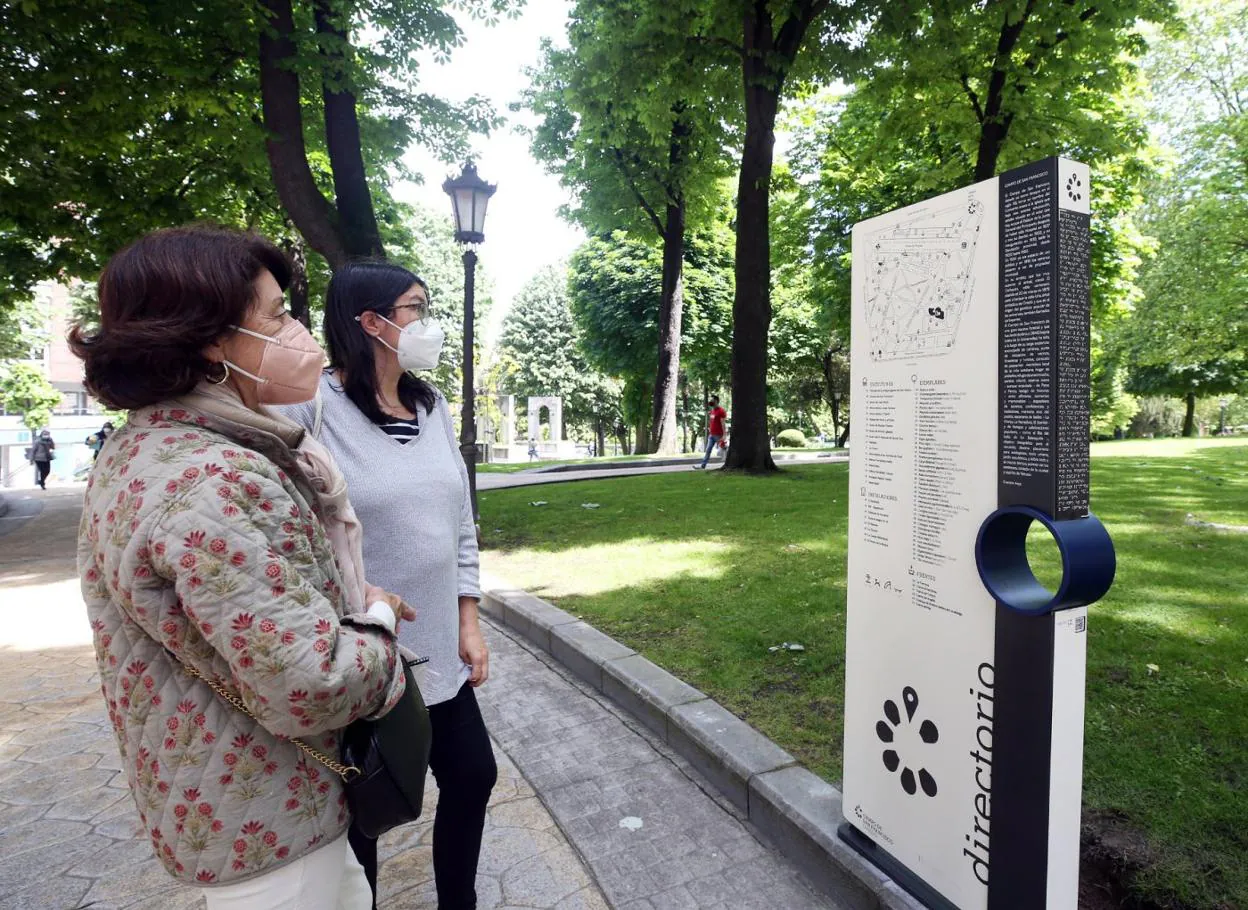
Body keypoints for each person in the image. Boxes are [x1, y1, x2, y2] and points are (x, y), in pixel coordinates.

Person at [69, 226, 414, 910]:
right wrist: (375, 630)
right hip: (272, 820)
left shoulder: (145, 448)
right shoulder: (218, 478)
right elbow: (312, 683)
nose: (297, 334)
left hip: (218, 800)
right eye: (276, 316)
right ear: (209, 341)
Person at [280, 260, 496, 910]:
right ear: (372, 322)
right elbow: (286, 528)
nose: (425, 323)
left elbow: (460, 522)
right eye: (415, 308)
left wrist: (468, 618)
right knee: (366, 805)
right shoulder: (312, 408)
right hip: (362, 651)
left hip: (434, 649)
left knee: (472, 777)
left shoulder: (433, 408)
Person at [694, 396, 727, 470]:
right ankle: (703, 466)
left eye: (712, 400)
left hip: (719, 435)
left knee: (724, 449)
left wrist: (724, 435)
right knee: (708, 450)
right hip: (711, 435)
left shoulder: (721, 411)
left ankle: (728, 463)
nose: (710, 401)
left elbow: (723, 423)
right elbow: (712, 421)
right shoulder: (712, 411)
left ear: (716, 401)